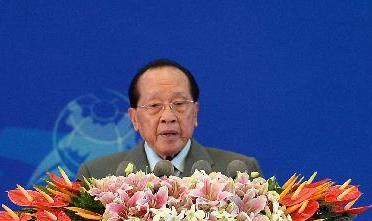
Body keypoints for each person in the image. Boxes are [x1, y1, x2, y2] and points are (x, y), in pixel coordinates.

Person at [76, 59, 262, 180]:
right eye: (154, 105)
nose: (168, 117)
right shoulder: (96, 175)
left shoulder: (240, 172)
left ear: (195, 113)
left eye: (179, 103)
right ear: (134, 119)